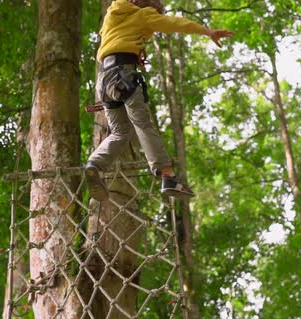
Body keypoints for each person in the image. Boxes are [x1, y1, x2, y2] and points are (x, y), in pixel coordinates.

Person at [85, 0, 234, 201]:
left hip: (104, 82)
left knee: (120, 131)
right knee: (142, 124)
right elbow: (175, 24)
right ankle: (168, 176)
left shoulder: (112, 15)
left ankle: (94, 164)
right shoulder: (143, 14)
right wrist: (207, 32)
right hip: (123, 74)